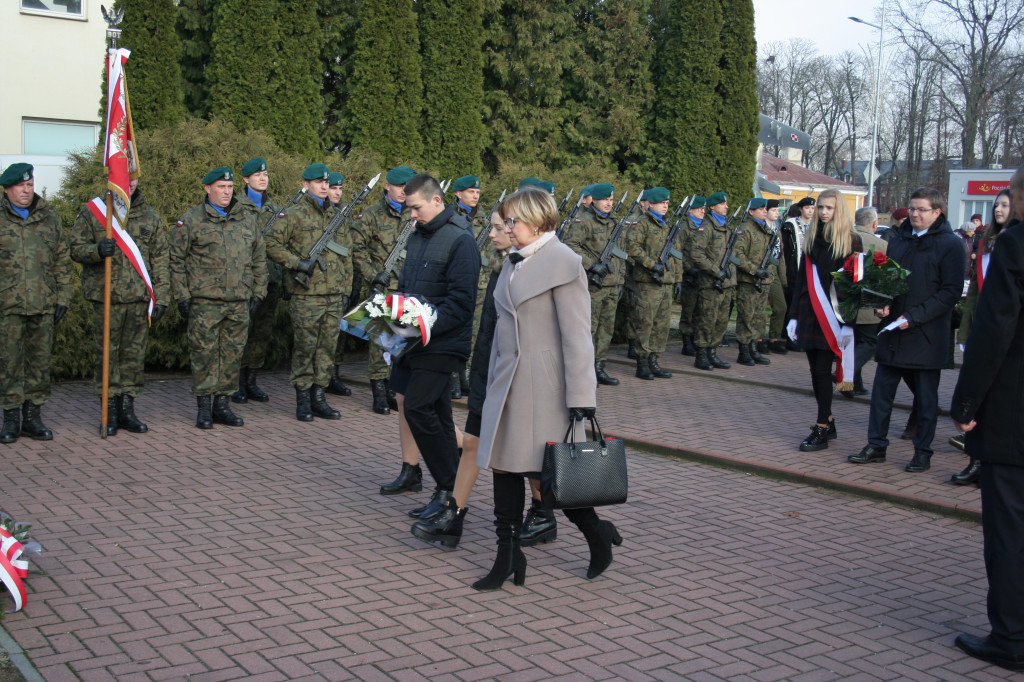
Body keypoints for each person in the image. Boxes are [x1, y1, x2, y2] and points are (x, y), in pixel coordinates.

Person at [475, 186, 620, 591]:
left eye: (513, 221)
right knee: (503, 467)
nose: (506, 228)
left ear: (537, 221)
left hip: (544, 387)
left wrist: (582, 400)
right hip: (508, 383)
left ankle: (596, 532)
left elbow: (578, 337)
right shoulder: (514, 260)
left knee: (551, 475)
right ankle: (507, 556)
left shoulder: (564, 262)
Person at [410, 207, 551, 549]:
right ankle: (453, 515)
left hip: (516, 375)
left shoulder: (534, 268)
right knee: (472, 441)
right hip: (488, 368)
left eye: (498, 227)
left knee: (532, 455)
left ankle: (546, 514)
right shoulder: (501, 265)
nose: (491, 233)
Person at [949, 165, 1024, 673]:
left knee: (1010, 529)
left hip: (1015, 415)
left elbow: (994, 331)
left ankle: (1012, 638)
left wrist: (967, 402)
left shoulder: (1016, 245)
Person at [849, 187, 965, 472]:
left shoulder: (951, 244)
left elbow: (950, 292)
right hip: (893, 331)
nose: (914, 214)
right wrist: (880, 304)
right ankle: (876, 445)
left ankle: (922, 452)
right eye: (912, 209)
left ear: (937, 212)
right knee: (881, 395)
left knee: (926, 401)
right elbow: (886, 277)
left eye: (921, 209)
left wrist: (914, 317)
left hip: (926, 334)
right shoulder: (899, 240)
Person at [389, 174, 480, 526]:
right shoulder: (418, 236)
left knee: (418, 407)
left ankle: (447, 488)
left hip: (442, 342)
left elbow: (461, 303)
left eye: (416, 207)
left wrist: (419, 326)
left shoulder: (461, 239)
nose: (412, 214)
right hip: (415, 340)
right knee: (438, 415)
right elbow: (409, 288)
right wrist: (390, 318)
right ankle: (449, 489)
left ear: (437, 201)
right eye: (407, 208)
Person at [70, 178, 170, 435]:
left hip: (138, 298)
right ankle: (109, 410)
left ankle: (127, 408)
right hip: (107, 298)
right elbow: (74, 248)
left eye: (133, 176)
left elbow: (160, 259)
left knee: (133, 359)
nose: (130, 182)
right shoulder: (94, 211)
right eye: (125, 175)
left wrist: (162, 297)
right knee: (107, 357)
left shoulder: (149, 215)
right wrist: (96, 250)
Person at [170, 167, 267, 429]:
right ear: (207, 188)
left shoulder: (246, 219)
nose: (227, 192)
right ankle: (204, 408)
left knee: (232, 355)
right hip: (205, 302)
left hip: (238, 302)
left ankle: (222, 406)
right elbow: (176, 260)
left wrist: (259, 291)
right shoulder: (191, 220)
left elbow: (259, 258)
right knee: (204, 355)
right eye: (221, 187)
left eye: (229, 187)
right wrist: (182, 295)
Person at [265, 164, 353, 422]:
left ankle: (319, 398)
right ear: (305, 185)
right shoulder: (293, 215)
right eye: (318, 182)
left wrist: (346, 289)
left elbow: (348, 254)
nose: (324, 186)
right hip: (307, 296)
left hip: (334, 295)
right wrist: (296, 263)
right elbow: (270, 244)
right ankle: (303, 399)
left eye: (326, 182)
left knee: (327, 349)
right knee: (305, 348)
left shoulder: (337, 216)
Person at [0, 163, 72, 443]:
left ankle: (32, 418)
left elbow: (61, 262)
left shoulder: (49, 220)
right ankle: (10, 420)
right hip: (8, 307)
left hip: (43, 305)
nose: (26, 191)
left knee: (39, 364)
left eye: (30, 185)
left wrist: (63, 298)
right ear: (7, 189)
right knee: (9, 363)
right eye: (20, 186)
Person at [786, 189, 857, 451]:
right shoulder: (811, 238)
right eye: (821, 208)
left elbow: (853, 287)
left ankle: (822, 427)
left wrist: (848, 321)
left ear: (839, 210)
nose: (824, 212)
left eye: (829, 208)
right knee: (816, 371)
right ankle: (827, 419)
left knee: (822, 370)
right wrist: (793, 316)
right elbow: (802, 281)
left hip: (834, 316)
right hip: (809, 311)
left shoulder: (851, 241)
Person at [951, 189, 1013, 483]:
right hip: (980, 327)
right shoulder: (986, 241)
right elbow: (975, 292)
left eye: (1005, 204)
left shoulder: (1014, 243)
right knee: (979, 396)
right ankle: (975, 459)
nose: (999, 209)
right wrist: (965, 331)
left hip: (1005, 333)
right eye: (996, 204)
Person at [350, 166, 416, 415]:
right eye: (399, 187)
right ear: (387, 186)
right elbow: (357, 250)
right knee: (381, 342)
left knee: (402, 341)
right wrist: (372, 275)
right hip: (383, 287)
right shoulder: (372, 215)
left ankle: (393, 391)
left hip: (409, 288)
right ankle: (379, 393)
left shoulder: (416, 215)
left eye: (408, 188)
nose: (403, 192)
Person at [563, 183, 624, 386]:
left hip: (612, 283)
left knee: (606, 329)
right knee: (589, 328)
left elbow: (621, 253)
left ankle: (599, 367)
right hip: (592, 283)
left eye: (611, 199)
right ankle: (584, 370)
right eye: (605, 199)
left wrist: (620, 279)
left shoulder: (615, 221)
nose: (608, 203)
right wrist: (592, 265)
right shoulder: (584, 220)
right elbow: (570, 245)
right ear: (594, 200)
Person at [232, 158, 280, 404]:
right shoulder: (235, 206)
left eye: (266, 174)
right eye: (257, 175)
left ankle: (251, 381)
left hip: (269, 281)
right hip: (244, 282)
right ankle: (235, 382)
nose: (263, 178)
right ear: (245, 179)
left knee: (260, 333)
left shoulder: (274, 209)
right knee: (241, 333)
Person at [625, 187, 675, 380]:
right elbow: (632, 248)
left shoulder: (666, 225)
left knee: (661, 325)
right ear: (651, 203)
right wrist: (651, 265)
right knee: (645, 322)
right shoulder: (642, 223)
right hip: (646, 282)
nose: (665, 206)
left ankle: (655, 360)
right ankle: (642, 363)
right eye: (662, 203)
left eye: (667, 203)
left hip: (664, 282)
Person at [843, 206, 887, 399]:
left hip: (844, 299)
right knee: (868, 342)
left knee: (853, 343)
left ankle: (852, 385)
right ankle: (845, 375)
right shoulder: (882, 245)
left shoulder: (844, 239)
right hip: (869, 300)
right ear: (875, 224)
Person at [690, 191, 735, 371]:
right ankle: (701, 354)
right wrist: (716, 271)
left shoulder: (726, 227)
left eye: (726, 204)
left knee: (721, 321)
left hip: (726, 283)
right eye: (723, 204)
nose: (726, 206)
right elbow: (696, 253)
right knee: (707, 319)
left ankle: (712, 353)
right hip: (710, 283)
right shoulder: (706, 227)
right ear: (713, 206)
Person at [452, 175, 486, 399]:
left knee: (474, 333)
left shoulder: (486, 219)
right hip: (458, 282)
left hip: (481, 283)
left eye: (477, 192)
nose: (475, 195)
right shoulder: (450, 217)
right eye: (470, 191)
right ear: (458, 194)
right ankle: (453, 376)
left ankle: (466, 374)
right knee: (456, 330)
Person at [732, 197, 774, 367]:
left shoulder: (766, 229)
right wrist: (754, 270)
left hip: (763, 281)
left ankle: (754, 348)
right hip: (749, 280)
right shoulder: (745, 229)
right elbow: (737, 255)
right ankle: (744, 351)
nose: (765, 210)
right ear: (751, 211)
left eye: (766, 208)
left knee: (759, 317)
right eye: (761, 208)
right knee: (746, 316)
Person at [323, 171, 354, 398]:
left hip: (341, 283)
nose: (336, 192)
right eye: (333, 188)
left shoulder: (344, 214)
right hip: (321, 284)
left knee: (338, 335)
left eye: (340, 189)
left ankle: (334, 374)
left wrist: (349, 287)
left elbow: (348, 253)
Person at [676, 196, 707, 357]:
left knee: (700, 311)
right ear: (690, 210)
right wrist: (688, 269)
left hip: (703, 275)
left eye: (704, 208)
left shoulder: (705, 228)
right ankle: (686, 341)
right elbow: (678, 252)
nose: (703, 211)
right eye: (699, 208)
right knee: (688, 310)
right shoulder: (684, 228)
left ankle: (696, 339)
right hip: (689, 275)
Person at [763, 199, 789, 354]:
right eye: (773, 210)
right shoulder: (761, 229)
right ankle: (758, 339)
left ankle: (774, 338)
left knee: (781, 307)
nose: (777, 213)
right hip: (763, 271)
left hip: (775, 272)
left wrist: (783, 278)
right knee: (760, 309)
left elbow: (781, 256)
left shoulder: (777, 231)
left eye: (778, 210)